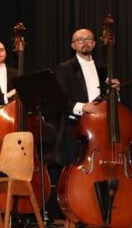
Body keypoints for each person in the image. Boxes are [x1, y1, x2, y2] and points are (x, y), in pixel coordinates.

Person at [53, 28, 119, 166]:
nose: (85, 42)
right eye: (80, 40)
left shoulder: (103, 68)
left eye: (89, 39)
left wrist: (115, 92)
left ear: (94, 43)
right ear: (73, 45)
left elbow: (109, 102)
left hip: (100, 129)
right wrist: (82, 106)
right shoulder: (64, 68)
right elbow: (59, 99)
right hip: (75, 130)